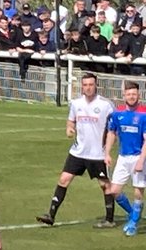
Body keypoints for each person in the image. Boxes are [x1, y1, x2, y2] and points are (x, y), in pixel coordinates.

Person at [36, 73, 116, 227]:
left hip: (97, 154)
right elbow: (70, 121)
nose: (88, 88)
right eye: (85, 85)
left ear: (96, 85)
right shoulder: (76, 103)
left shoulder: (106, 105)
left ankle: (109, 219)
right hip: (78, 151)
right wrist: (69, 129)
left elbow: (114, 128)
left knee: (104, 185)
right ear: (82, 86)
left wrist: (108, 149)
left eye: (91, 85)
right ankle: (51, 216)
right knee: (63, 180)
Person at [103, 81, 146, 236]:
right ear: (124, 96)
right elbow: (111, 133)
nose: (131, 96)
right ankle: (133, 213)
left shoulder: (144, 114)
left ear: (138, 95)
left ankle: (133, 222)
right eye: (128, 94)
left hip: (139, 157)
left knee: (138, 191)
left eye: (134, 94)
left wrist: (141, 160)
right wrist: (107, 153)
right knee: (114, 191)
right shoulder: (117, 113)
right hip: (122, 157)